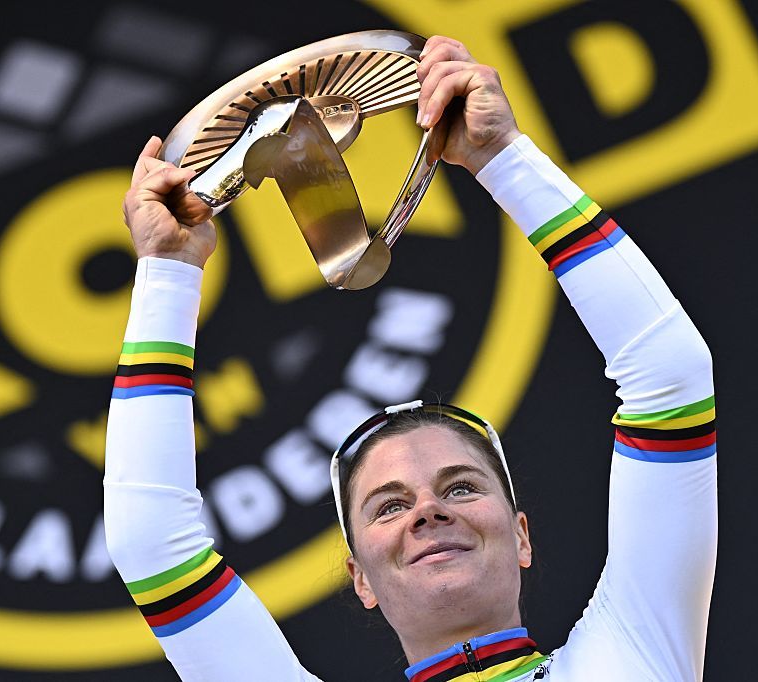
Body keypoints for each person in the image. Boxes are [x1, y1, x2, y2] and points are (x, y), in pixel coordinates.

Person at [104, 35, 716, 681]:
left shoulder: (634, 651)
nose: (429, 510)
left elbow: (670, 378)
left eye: (461, 487)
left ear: (523, 536)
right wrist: (167, 274)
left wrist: (502, 158)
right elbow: (151, 546)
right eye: (389, 506)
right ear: (360, 577)